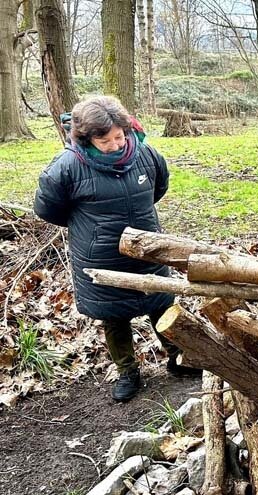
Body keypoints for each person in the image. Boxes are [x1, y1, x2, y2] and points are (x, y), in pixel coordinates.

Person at [34, 95, 199, 403]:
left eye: (119, 137)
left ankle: (179, 358)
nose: (115, 144)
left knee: (161, 302)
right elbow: (48, 209)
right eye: (105, 140)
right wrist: (94, 230)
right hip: (101, 254)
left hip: (148, 246)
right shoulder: (67, 166)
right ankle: (128, 371)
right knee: (114, 316)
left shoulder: (146, 154)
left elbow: (158, 186)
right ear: (86, 138)